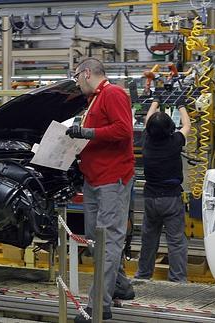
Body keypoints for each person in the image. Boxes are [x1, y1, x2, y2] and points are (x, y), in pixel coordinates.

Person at [66, 58, 135, 322]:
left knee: (107, 240)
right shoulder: (93, 100)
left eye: (76, 77)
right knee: (96, 238)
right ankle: (119, 285)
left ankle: (99, 304)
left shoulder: (113, 93)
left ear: (86, 74)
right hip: (93, 179)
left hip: (112, 179)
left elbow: (123, 130)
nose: (76, 82)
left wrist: (86, 132)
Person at [134, 97, 190, 282]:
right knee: (176, 241)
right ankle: (177, 280)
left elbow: (149, 120)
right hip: (171, 199)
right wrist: (181, 105)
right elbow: (187, 126)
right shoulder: (175, 141)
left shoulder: (146, 141)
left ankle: (143, 276)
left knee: (149, 240)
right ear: (170, 129)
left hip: (150, 199)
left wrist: (155, 103)